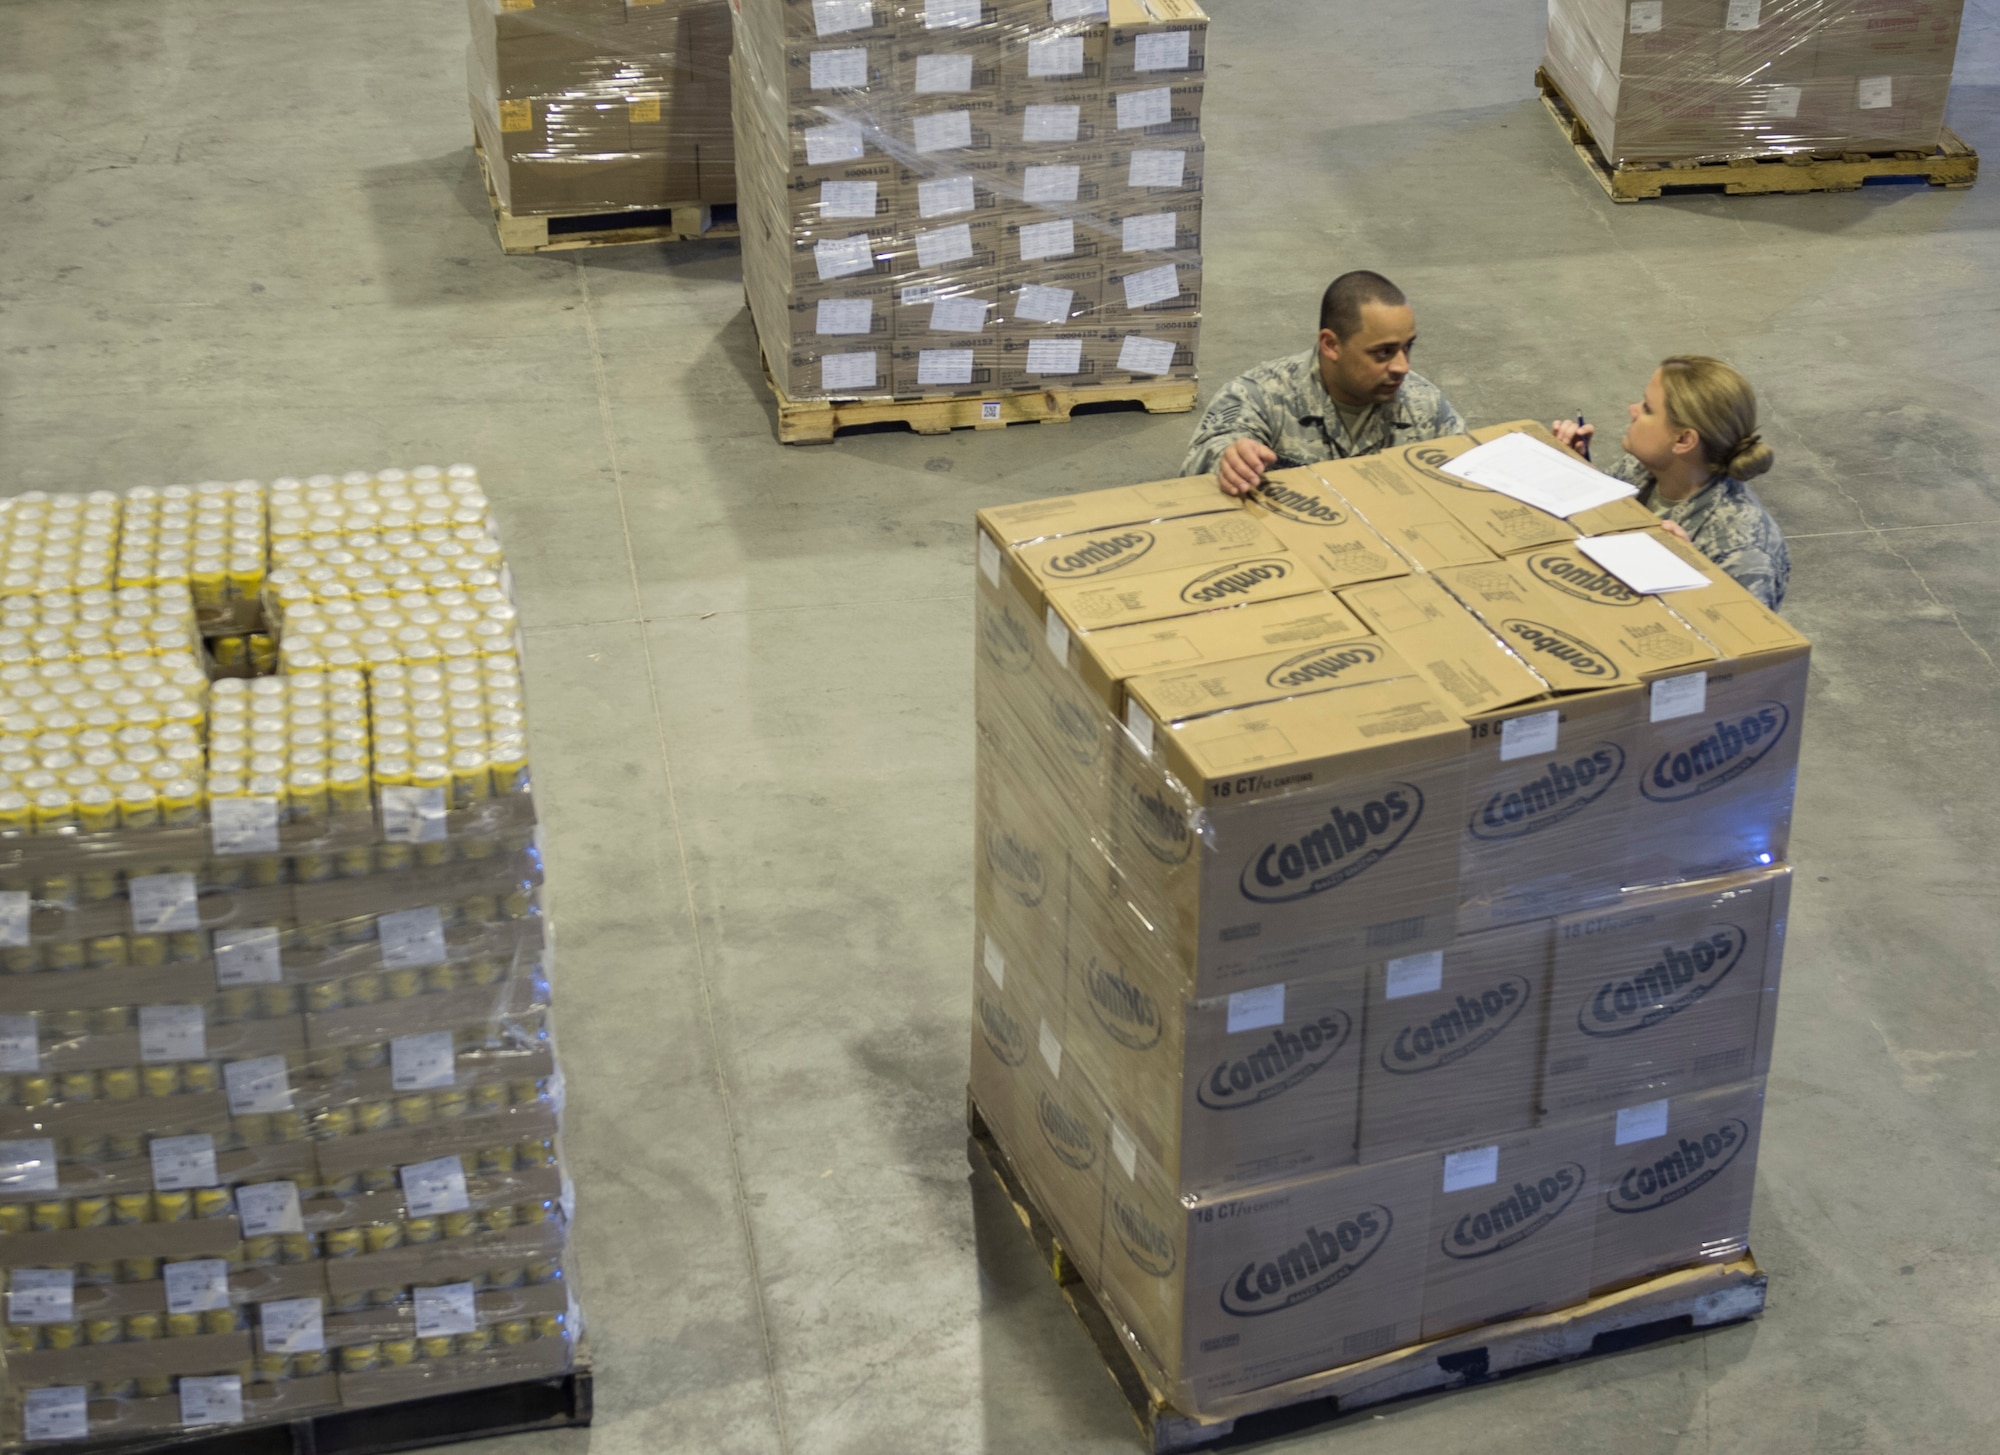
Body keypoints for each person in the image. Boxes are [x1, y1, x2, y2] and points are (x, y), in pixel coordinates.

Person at [1183, 271, 1464, 496]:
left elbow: (1470, 477)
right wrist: (1229, 461)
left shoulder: (1424, 406)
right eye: (1383, 352)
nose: (1402, 367)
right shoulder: (1261, 396)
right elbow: (1199, 466)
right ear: (1331, 345)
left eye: (1407, 347)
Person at [1551, 356, 1790, 612]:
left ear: (1683, 440)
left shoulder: (1741, 549)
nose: (1633, 409)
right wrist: (1575, 471)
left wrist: (1689, 577)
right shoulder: (1642, 469)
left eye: (1648, 409)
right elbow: (1598, 526)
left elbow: (1748, 643)